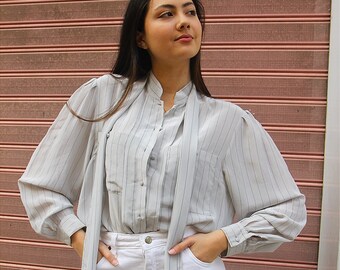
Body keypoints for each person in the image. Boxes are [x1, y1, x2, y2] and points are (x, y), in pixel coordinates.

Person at [18, 0, 307, 269]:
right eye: (167, 14)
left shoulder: (229, 121)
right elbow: (43, 185)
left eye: (190, 12)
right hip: (116, 259)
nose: (184, 22)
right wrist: (78, 236)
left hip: (189, 262)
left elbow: (286, 211)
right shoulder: (102, 98)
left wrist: (221, 240)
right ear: (140, 37)